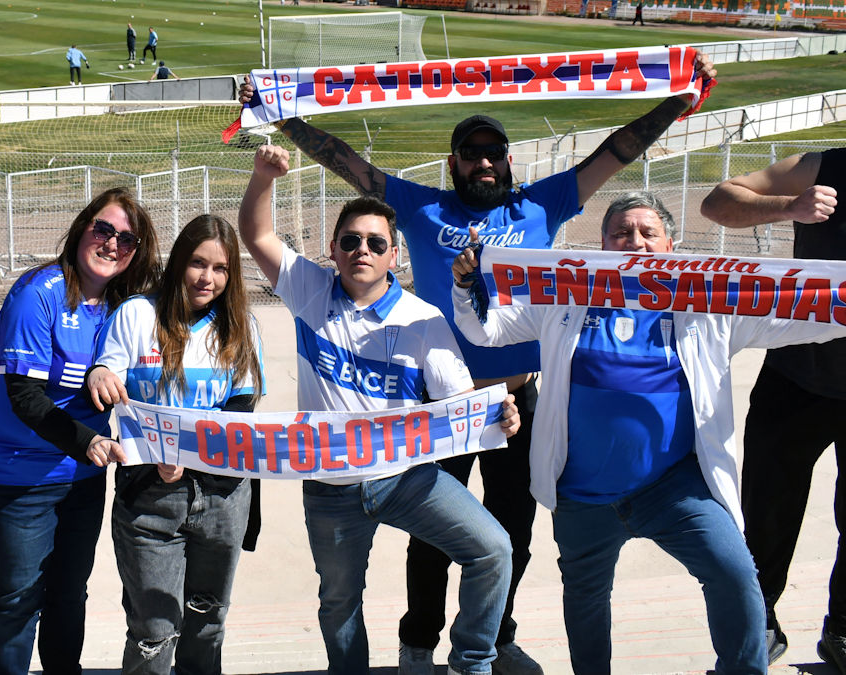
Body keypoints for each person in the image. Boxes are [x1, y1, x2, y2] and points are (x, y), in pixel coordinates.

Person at [238, 50, 717, 675]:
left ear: (508, 162)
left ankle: (495, 637)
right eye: (471, 153)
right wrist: (281, 116)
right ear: (454, 163)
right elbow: (344, 160)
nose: (484, 162)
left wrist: (677, 102)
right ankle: (418, 642)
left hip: (520, 401)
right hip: (440, 402)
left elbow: (617, 151)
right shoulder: (421, 207)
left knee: (511, 532)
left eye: (494, 153)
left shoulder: (544, 204)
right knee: (432, 536)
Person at [451, 191, 846, 675]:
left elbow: (803, 314)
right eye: (620, 232)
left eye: (647, 233)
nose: (633, 242)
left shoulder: (708, 303)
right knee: (586, 599)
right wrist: (470, 284)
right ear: (600, 243)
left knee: (736, 574)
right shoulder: (565, 296)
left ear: (671, 246)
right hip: (582, 493)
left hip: (674, 489)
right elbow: (487, 328)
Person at [239, 144, 520, 675]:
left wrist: (497, 413)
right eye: (350, 241)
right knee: (339, 602)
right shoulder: (310, 292)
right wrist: (262, 177)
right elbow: (256, 235)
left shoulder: (423, 318)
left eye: (375, 242)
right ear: (333, 250)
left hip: (406, 477)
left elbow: (460, 399)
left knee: (493, 550)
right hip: (331, 486)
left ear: (395, 255)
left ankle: (473, 661)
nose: (361, 250)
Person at [0, 187, 160, 675]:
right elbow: (23, 396)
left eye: (128, 240)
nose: (112, 244)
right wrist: (89, 441)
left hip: (81, 476)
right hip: (18, 473)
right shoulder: (39, 293)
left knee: (70, 593)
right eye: (104, 229)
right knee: (21, 596)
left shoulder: (125, 304)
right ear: (81, 230)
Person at [86, 214, 265, 674]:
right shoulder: (137, 314)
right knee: (154, 630)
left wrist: (189, 458)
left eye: (221, 268)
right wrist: (101, 373)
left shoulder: (241, 325)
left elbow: (238, 416)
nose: (208, 278)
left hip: (223, 497)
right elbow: (108, 375)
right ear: (178, 262)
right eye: (197, 263)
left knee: (208, 621)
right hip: (149, 496)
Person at [700, 148, 845, 669]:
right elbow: (718, 203)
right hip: (798, 376)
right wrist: (790, 206)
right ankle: (756, 620)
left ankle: (843, 631)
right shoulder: (825, 166)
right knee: (766, 512)